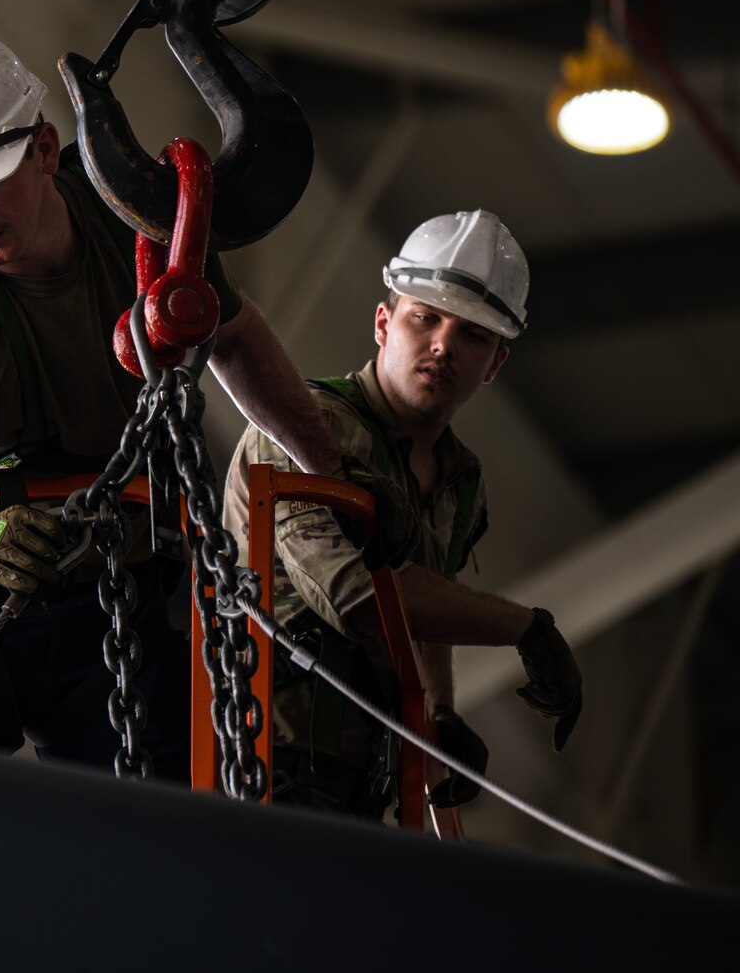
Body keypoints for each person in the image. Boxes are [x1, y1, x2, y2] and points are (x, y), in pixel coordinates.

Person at [0, 27, 363, 778]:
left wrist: (332, 474)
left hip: (121, 580)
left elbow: (233, 335)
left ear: (43, 147)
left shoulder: (136, 221)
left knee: (167, 821)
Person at [219, 210, 584, 817]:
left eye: (473, 336)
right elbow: (357, 599)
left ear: (494, 364)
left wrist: (439, 710)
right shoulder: (303, 429)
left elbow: (426, 596)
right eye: (426, 318)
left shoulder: (460, 482)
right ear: (384, 323)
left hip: (365, 771)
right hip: (263, 755)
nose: (443, 344)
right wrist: (525, 629)